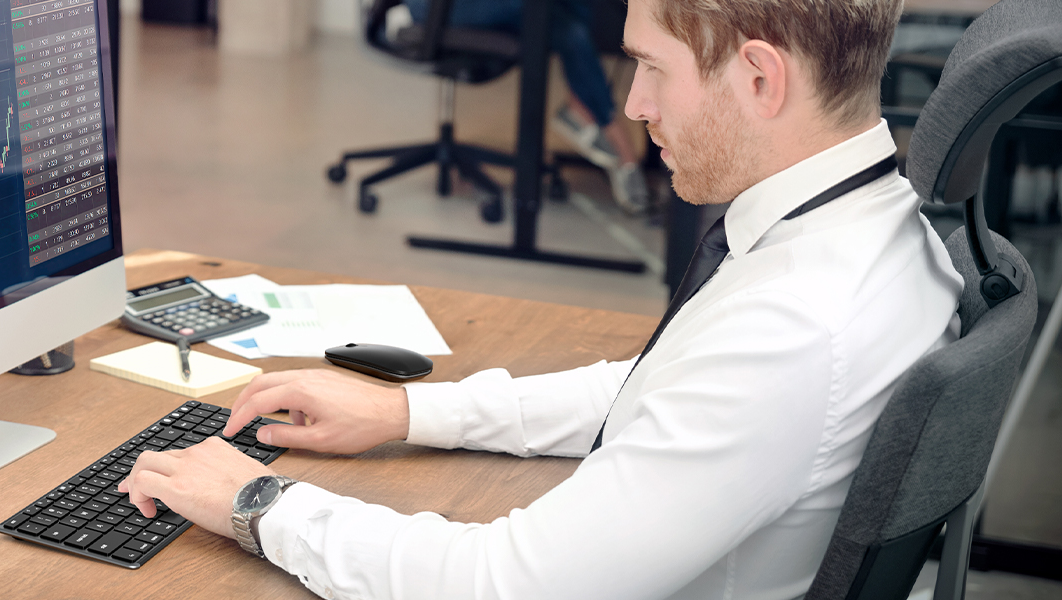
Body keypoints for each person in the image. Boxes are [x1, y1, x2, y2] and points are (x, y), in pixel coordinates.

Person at [119, 0, 965, 597]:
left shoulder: (794, 329)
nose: (633, 105)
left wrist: (261, 505)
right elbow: (664, 388)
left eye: (651, 67)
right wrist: (413, 413)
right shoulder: (879, 230)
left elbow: (504, 585)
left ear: (759, 78)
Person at [405, 0, 652, 214]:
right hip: (431, 7)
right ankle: (611, 132)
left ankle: (592, 117)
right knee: (554, 11)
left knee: (570, 30)